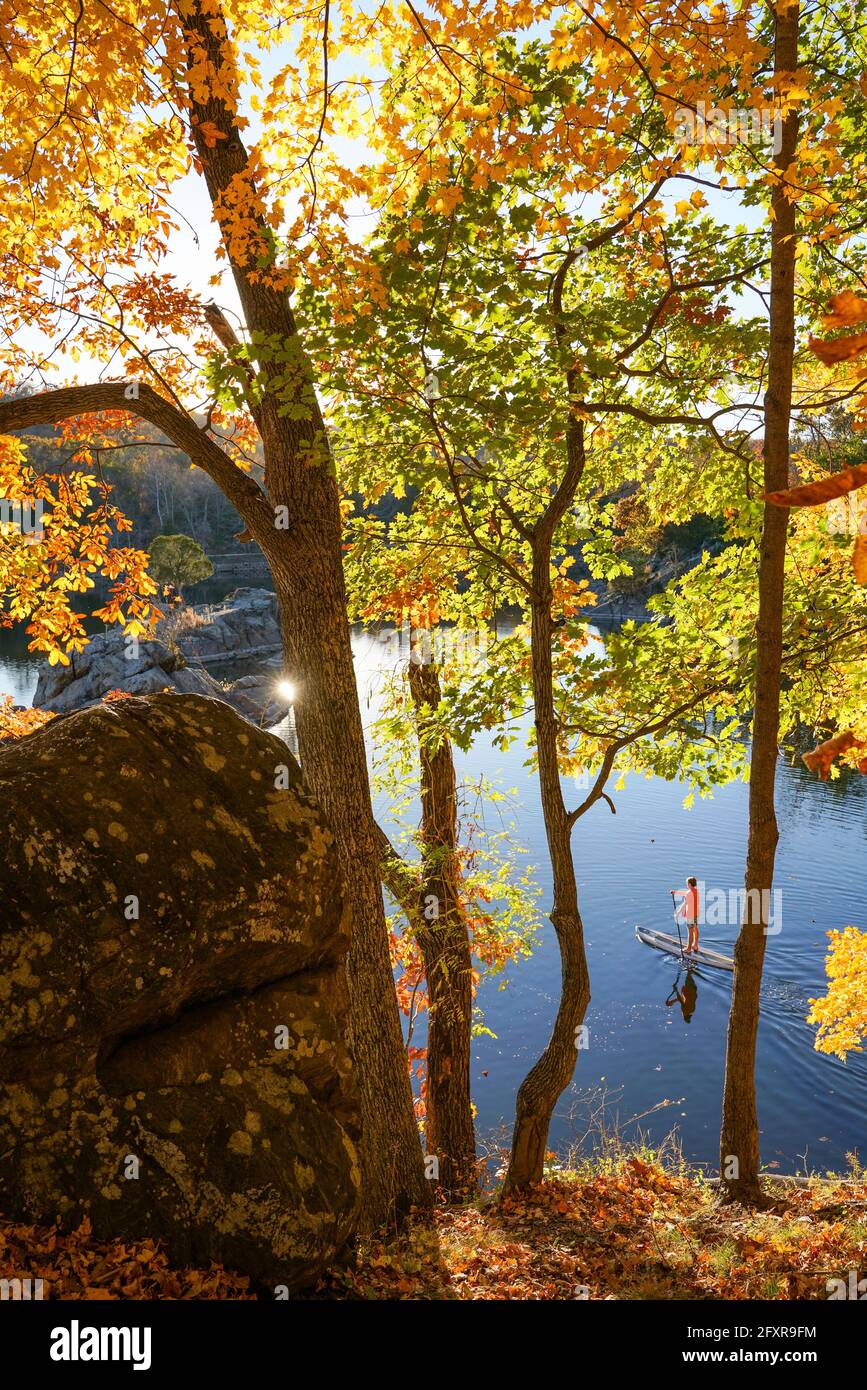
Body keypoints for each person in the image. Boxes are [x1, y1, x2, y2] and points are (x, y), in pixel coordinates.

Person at [672, 876, 700, 955]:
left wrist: (677, 913)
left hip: (690, 915)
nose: (686, 884)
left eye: (687, 883)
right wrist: (676, 892)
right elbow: (686, 893)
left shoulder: (689, 893)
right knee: (695, 929)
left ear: (689, 884)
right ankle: (695, 945)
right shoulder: (696, 891)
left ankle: (688, 949)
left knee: (690, 932)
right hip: (696, 914)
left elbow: (684, 904)